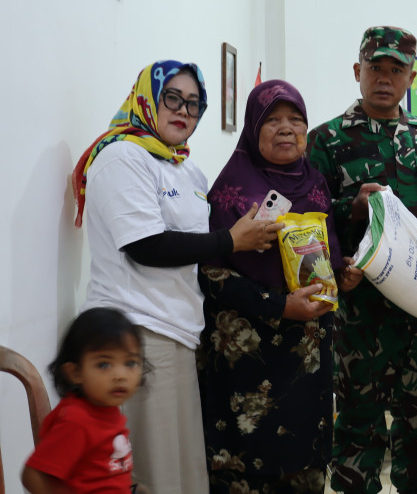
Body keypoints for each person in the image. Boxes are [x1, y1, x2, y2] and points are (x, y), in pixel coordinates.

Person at [72, 60, 279, 493]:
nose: (183, 110)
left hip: (180, 333)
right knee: (154, 475)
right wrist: (231, 240)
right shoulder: (121, 156)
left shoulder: (187, 169)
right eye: (172, 98)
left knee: (185, 475)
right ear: (147, 97)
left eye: (194, 103)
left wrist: (244, 235)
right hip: (137, 332)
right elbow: (146, 246)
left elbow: (196, 245)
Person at [307, 26, 417, 494]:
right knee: (358, 427)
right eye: (375, 68)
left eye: (396, 69)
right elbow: (310, 221)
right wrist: (351, 209)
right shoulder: (325, 141)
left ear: (411, 76)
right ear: (357, 71)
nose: (385, 78)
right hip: (360, 314)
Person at [198, 79, 361, 493]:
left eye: (296, 119)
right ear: (253, 128)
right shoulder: (231, 191)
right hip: (249, 360)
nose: (286, 128)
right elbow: (212, 275)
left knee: (303, 468)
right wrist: (279, 305)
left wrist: (346, 277)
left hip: (306, 357)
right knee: (247, 474)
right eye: (272, 119)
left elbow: (328, 259)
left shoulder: (316, 184)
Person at [22, 307, 146, 494]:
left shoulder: (106, 408)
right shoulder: (77, 421)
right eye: (104, 364)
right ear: (75, 372)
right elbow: (32, 476)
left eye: (130, 363)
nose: (120, 375)